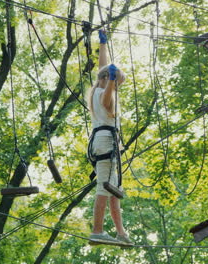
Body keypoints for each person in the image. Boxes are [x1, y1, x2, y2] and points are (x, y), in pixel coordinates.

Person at [86, 30, 133, 246]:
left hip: (104, 141)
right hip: (105, 141)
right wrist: (113, 81)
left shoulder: (100, 86)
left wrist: (103, 45)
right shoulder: (104, 94)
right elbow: (108, 96)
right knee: (104, 186)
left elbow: (102, 69)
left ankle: (121, 233)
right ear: (108, 80)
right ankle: (97, 230)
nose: (117, 86)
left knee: (113, 190)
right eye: (116, 82)